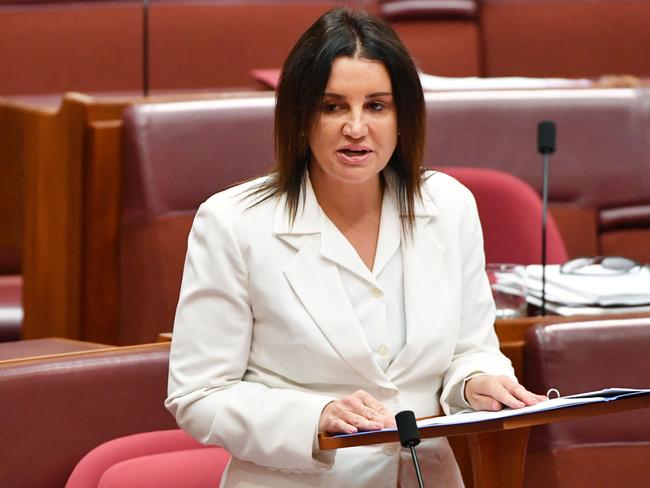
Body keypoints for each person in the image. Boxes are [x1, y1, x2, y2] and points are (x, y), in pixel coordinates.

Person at [165, 7, 545, 487]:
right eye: (333, 106)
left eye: (377, 106)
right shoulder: (233, 223)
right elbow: (198, 395)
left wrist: (478, 382)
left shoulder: (449, 206)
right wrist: (314, 417)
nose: (356, 127)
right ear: (300, 117)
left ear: (404, 115)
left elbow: (471, 349)